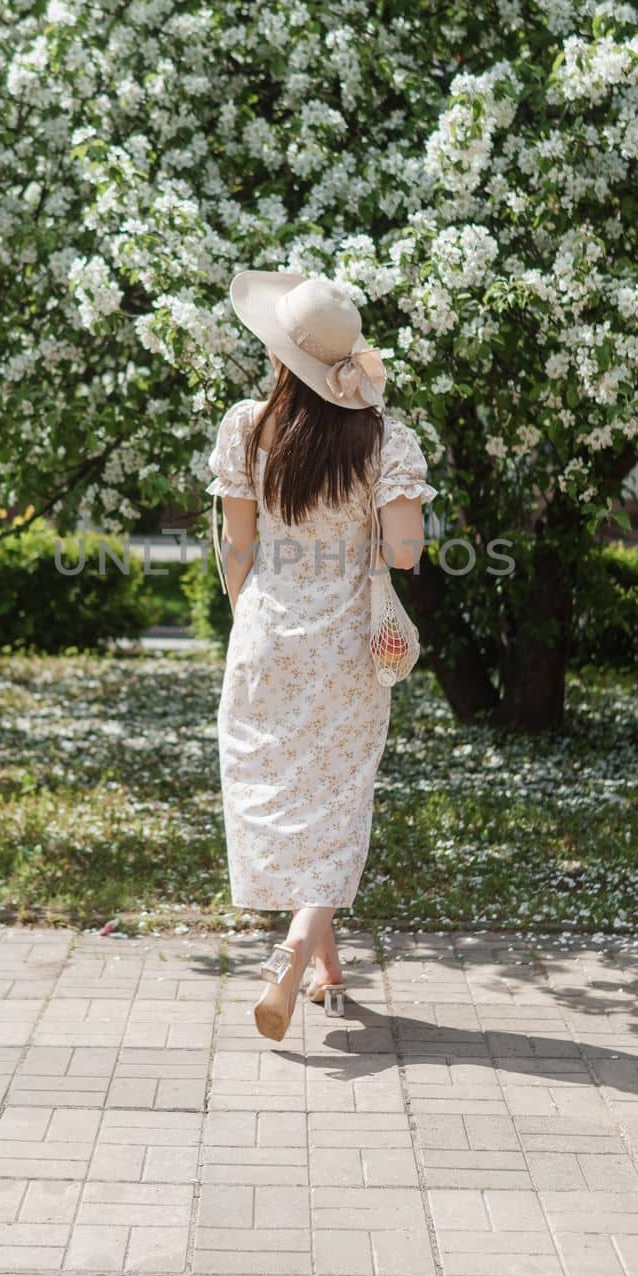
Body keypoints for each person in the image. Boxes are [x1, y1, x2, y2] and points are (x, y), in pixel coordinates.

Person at [206, 270, 438, 1043]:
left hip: (269, 634)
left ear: (281, 356)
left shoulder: (246, 427)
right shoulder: (384, 438)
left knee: (284, 792)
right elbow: (405, 553)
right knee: (338, 799)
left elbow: (238, 546)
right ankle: (299, 950)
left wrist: (252, 621)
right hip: (347, 644)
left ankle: (321, 965)